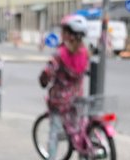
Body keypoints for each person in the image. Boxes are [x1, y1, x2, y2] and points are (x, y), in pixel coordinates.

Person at [39, 14, 89, 160]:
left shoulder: (60, 54)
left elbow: (48, 72)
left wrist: (43, 80)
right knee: (78, 131)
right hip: (77, 98)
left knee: (54, 133)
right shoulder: (85, 53)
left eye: (63, 31)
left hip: (59, 101)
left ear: (68, 34)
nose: (62, 34)